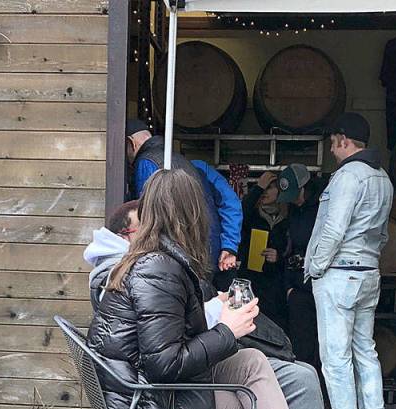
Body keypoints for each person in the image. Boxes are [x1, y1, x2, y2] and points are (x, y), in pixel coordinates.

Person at [87, 170, 375, 409]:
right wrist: (227, 330)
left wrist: (216, 317)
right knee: (261, 404)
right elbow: (164, 364)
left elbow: (166, 344)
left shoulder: (154, 262)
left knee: (253, 362)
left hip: (153, 399)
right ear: (191, 213)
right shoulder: (158, 270)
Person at [84, 200, 332, 409]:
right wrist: (224, 327)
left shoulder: (136, 270)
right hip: (157, 404)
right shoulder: (130, 275)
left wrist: (213, 308)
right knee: (269, 400)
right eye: (145, 231)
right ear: (126, 236)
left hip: (171, 387)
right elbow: (164, 360)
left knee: (278, 370)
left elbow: (164, 332)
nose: (155, 236)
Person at [305, 113, 394, 409]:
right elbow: (384, 234)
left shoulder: (347, 177)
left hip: (339, 273)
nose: (331, 151)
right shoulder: (382, 178)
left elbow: (333, 229)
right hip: (368, 272)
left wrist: (315, 267)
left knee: (335, 355)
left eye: (332, 144)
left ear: (343, 140)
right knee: (365, 350)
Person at [125, 119, 242, 276]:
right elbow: (231, 202)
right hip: (206, 253)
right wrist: (229, 245)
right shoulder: (193, 165)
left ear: (131, 143)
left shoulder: (146, 162)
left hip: (175, 259)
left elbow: (147, 218)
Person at [276, 163, 329, 388]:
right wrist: (289, 286)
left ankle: (326, 403)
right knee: (301, 346)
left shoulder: (323, 208)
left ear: (304, 187)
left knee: (324, 348)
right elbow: (290, 249)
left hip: (321, 285)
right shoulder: (294, 212)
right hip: (298, 288)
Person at [238, 170, 290, 327]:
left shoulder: (288, 218)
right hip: (252, 282)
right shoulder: (253, 215)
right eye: (264, 189)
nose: (265, 193)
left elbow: (296, 251)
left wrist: (279, 257)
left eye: (270, 188)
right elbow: (240, 212)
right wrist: (258, 187)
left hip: (277, 286)